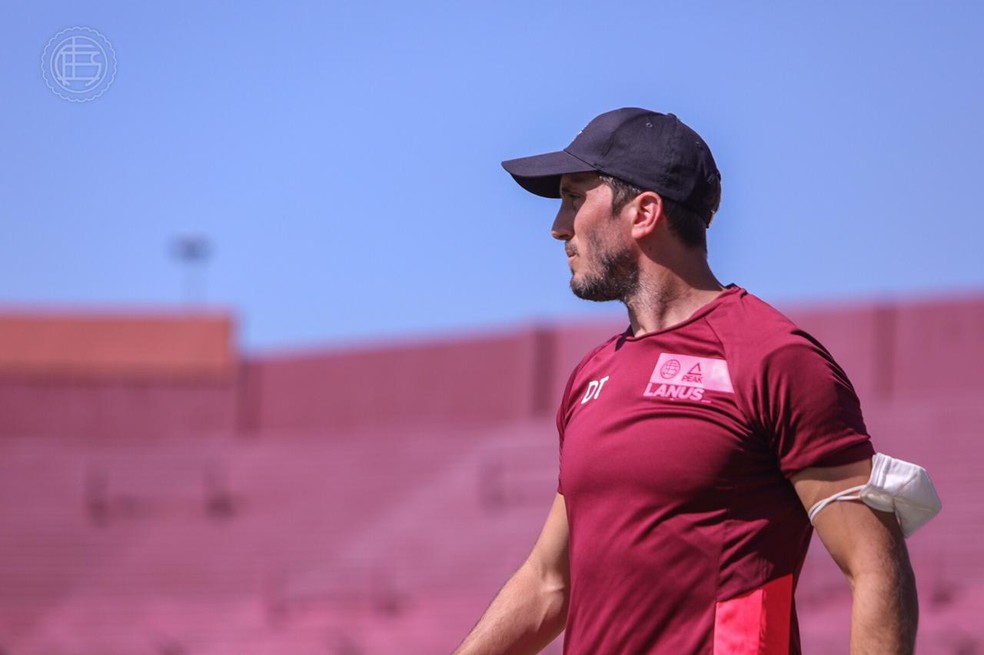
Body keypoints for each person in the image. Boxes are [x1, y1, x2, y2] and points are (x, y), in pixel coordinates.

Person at [453, 108, 935, 654]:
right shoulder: (593, 375)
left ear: (644, 212)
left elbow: (876, 570)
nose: (558, 226)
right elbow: (549, 584)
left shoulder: (774, 359)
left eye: (573, 196)